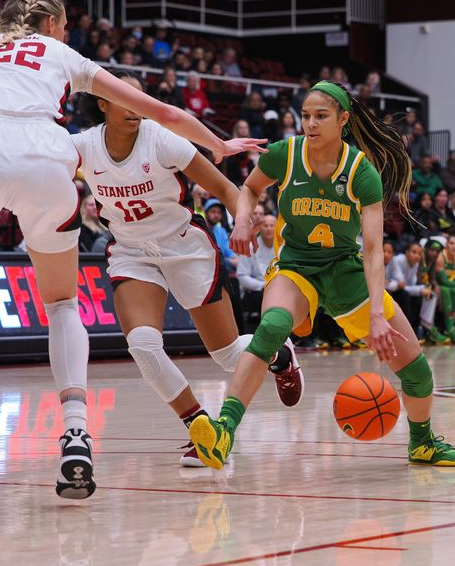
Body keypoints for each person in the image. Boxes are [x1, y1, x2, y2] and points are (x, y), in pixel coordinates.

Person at [0, 0, 264, 499]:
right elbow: (165, 112)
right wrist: (220, 144)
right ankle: (76, 432)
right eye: (63, 26)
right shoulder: (62, 54)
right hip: (45, 158)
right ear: (50, 25)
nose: (65, 34)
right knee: (63, 302)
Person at [190, 80, 455, 469]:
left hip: (344, 269)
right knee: (270, 328)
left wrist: (374, 313)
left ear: (343, 120)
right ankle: (223, 432)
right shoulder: (285, 155)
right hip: (295, 267)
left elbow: (372, 251)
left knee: (416, 369)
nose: (311, 124)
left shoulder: (360, 171)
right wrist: (242, 220)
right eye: (305, 116)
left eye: (321, 116)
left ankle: (421, 442)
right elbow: (249, 189)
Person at [74, 73, 303, 468]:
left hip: (184, 247)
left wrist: (243, 221)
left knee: (229, 355)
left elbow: (229, 191)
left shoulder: (161, 139)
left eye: (139, 97)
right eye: (123, 97)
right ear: (102, 103)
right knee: (144, 346)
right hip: (132, 251)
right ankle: (202, 428)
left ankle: (280, 355)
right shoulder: (81, 147)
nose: (134, 105)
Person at [390, 241, 447, 344]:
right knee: (406, 296)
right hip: (391, 291)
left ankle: (424, 328)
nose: (417, 256)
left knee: (429, 295)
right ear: (407, 252)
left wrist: (424, 289)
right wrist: (420, 290)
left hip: (403, 290)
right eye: (414, 252)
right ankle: (406, 332)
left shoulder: (415, 264)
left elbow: (410, 285)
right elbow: (401, 286)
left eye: (419, 253)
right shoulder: (398, 261)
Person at [237, 214, 276, 322]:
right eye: (265, 225)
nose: (268, 229)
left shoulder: (282, 248)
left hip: (277, 288)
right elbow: (242, 276)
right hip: (256, 291)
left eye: (272, 225)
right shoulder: (250, 246)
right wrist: (262, 285)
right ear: (259, 228)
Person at [204, 198, 238, 271]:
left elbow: (228, 252)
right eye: (213, 212)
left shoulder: (221, 231)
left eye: (219, 212)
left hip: (221, 264)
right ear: (206, 213)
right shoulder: (200, 228)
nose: (216, 215)